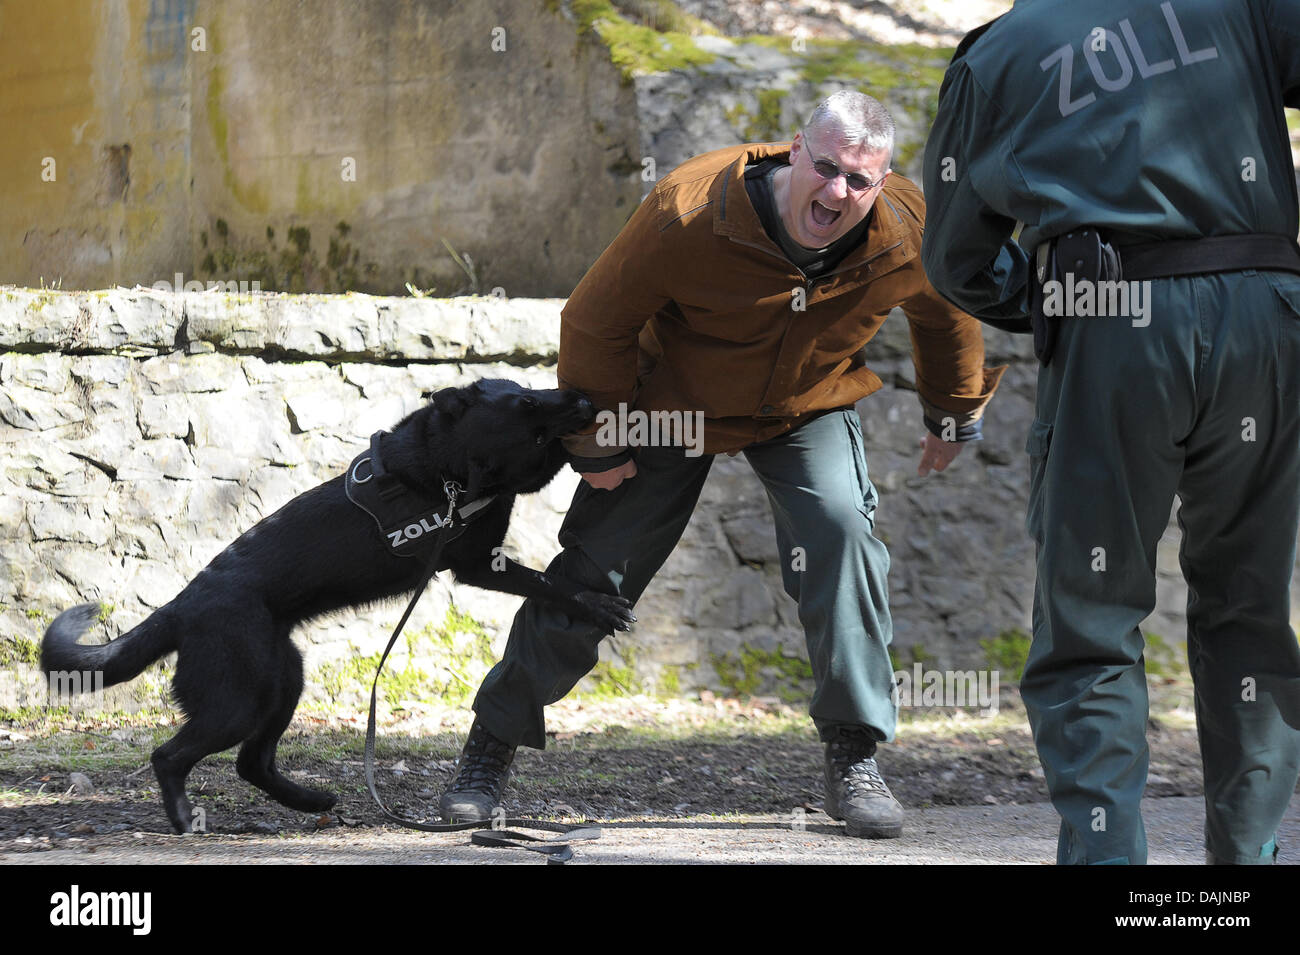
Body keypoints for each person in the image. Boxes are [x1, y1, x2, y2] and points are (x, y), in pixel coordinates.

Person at [439, 90, 1003, 837]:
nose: (837, 192)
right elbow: (596, 320)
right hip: (673, 405)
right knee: (597, 567)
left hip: (805, 404)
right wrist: (600, 441)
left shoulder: (907, 227)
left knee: (841, 532)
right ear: (796, 150)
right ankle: (491, 747)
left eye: (859, 180)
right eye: (826, 167)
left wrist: (954, 410)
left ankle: (853, 753)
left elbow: (948, 310)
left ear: (883, 180)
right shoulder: (691, 208)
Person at [921, 0, 1300, 864]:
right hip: (1269, 315)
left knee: (1092, 624)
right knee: (1249, 612)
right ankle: (1250, 868)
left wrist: (1047, 297)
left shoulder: (999, 55)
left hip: (1115, 317)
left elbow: (952, 257)